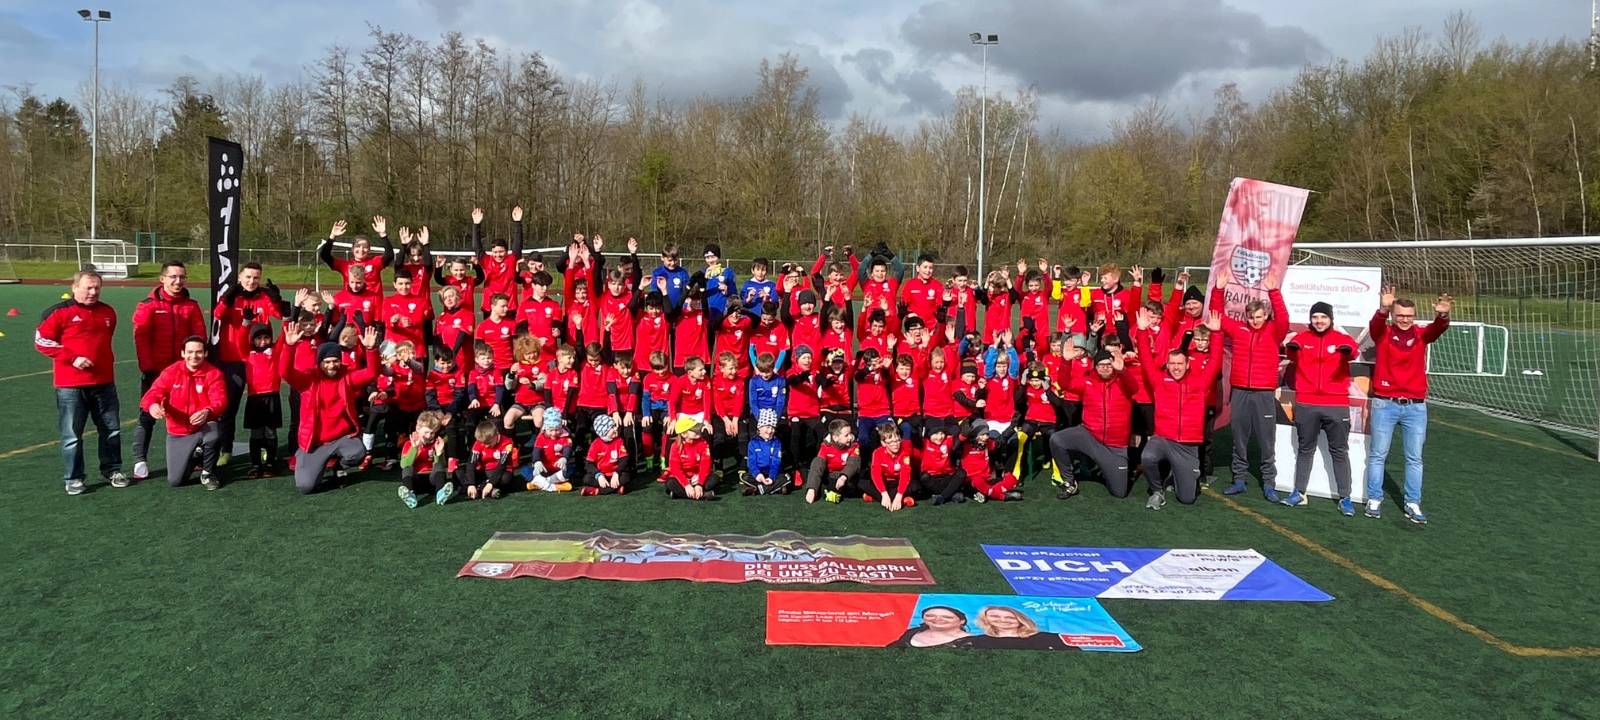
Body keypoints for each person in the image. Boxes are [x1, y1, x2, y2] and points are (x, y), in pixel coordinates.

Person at [1365, 286, 1452, 524]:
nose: (1405, 319)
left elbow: (1439, 328)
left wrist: (1443, 315)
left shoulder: (1422, 335)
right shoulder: (1383, 334)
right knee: (1378, 455)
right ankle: (1374, 498)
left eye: (1409, 315)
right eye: (1400, 315)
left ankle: (1412, 502)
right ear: (1394, 315)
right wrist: (1383, 308)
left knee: (1414, 458)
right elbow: (1374, 327)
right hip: (1385, 404)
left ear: (1414, 316)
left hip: (1415, 407)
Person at [36, 270, 128, 494]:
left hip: (104, 383)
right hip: (71, 386)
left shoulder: (108, 312)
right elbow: (41, 340)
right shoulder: (59, 313)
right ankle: (74, 478)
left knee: (111, 429)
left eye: (97, 287)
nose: (93, 292)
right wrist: (72, 358)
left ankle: (112, 469)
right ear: (75, 288)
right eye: (88, 287)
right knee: (72, 434)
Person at [280, 323, 381, 495]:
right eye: (327, 362)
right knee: (305, 487)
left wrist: (371, 350)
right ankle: (318, 462)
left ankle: (338, 464)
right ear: (319, 362)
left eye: (335, 361)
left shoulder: (346, 376)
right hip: (315, 442)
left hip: (340, 438)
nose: (332, 365)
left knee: (358, 452)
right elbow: (285, 372)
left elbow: (371, 373)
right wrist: (289, 347)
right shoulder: (308, 380)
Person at [1138, 311, 1224, 509]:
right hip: (1163, 439)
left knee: (1187, 499)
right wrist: (1142, 331)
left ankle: (1178, 475)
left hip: (1187, 445)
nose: (1176, 367)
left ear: (1187, 365)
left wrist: (1217, 334)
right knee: (1147, 456)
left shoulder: (1200, 383)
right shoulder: (1159, 381)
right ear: (1167, 365)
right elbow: (1145, 359)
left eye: (1180, 364)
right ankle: (1157, 490)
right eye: (1172, 364)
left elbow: (1215, 362)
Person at [131, 260, 207, 481]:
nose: (178, 281)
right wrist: (147, 367)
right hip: (156, 371)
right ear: (162, 279)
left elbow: (199, 335)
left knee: (191, 413)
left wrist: (195, 365)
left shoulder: (191, 306)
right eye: (173, 276)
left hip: (186, 371)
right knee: (148, 414)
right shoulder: (148, 305)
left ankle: (194, 456)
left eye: (182, 277)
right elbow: (141, 338)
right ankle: (139, 460)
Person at [1212, 286, 1289, 500]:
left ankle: (1268, 482)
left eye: (1259, 317)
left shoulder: (1274, 331)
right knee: (1239, 437)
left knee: (1266, 440)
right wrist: (1218, 290)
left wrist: (1274, 290)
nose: (1255, 321)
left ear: (1265, 316)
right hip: (1240, 391)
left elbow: (1283, 317)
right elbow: (1216, 314)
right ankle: (1239, 479)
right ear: (1246, 317)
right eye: (1252, 317)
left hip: (1263, 393)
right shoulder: (1239, 330)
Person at [1283, 301, 1359, 514]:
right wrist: (1292, 348)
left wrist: (1348, 351)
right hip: (1307, 404)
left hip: (1336, 405)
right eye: (1315, 317)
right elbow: (1290, 352)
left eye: (1323, 317)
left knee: (1339, 451)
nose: (1319, 321)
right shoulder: (1302, 339)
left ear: (1331, 319)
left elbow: (1354, 351)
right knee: (1305, 450)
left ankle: (1345, 498)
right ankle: (1299, 493)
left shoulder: (1342, 339)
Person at [212, 262, 288, 464]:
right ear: (240, 277)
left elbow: (279, 315)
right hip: (233, 359)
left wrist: (276, 299)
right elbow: (218, 315)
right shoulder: (232, 296)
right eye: (248, 277)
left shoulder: (263, 296)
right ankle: (226, 449)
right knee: (229, 407)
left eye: (256, 277)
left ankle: (266, 451)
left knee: (263, 407)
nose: (252, 281)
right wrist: (228, 297)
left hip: (260, 362)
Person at [140, 337, 228, 489]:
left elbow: (220, 400)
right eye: (190, 352)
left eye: (199, 352)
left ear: (205, 353)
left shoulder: (214, 374)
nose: (194, 356)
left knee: (214, 433)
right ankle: (196, 454)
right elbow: (153, 392)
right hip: (178, 432)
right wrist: (153, 405)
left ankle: (208, 473)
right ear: (183, 353)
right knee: (176, 481)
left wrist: (208, 411)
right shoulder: (171, 372)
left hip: (202, 427)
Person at [1049, 349, 1139, 499]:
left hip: (1115, 446)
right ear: (1095, 367)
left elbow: (1134, 388)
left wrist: (1122, 370)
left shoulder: (1123, 382)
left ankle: (1109, 469)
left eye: (1108, 365)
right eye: (1101, 365)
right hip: (1089, 435)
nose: (1105, 368)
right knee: (1057, 440)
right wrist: (1066, 361)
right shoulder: (1088, 381)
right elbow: (1065, 384)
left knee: (1120, 493)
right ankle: (1070, 482)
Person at [320, 216, 394, 305]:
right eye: (358, 246)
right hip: (352, 305)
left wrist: (383, 235)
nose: (361, 249)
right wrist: (332, 236)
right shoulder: (345, 265)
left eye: (365, 247)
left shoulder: (375, 262)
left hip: (374, 307)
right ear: (352, 248)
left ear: (369, 249)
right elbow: (325, 255)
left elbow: (390, 255)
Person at [242, 324, 284, 478]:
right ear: (253, 340)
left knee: (270, 432)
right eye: (258, 338)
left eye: (266, 337)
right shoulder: (248, 353)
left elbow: (285, 337)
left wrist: (288, 318)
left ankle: (270, 464)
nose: (263, 341)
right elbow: (240, 340)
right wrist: (246, 323)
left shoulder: (275, 352)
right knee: (256, 434)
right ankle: (255, 464)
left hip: (272, 397)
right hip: (255, 399)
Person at [396, 410, 458, 509]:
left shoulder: (436, 443)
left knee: (438, 466)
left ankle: (440, 494)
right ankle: (410, 495)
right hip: (416, 480)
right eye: (426, 432)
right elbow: (404, 465)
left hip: (432, 480)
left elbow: (442, 465)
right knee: (407, 469)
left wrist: (439, 454)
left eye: (432, 433)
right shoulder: (409, 444)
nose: (429, 436)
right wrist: (414, 449)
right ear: (418, 429)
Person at [803, 419, 861, 504]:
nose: (850, 437)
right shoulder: (826, 445)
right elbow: (818, 466)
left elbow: (853, 464)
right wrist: (812, 488)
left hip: (847, 477)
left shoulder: (854, 445)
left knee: (860, 483)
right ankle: (812, 489)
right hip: (831, 475)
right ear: (835, 437)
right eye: (846, 435)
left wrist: (843, 477)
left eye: (850, 434)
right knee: (817, 461)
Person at [963, 606, 1072, 651]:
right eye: (995, 616)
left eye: (1010, 617)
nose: (1003, 620)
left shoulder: (1050, 638)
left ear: (1021, 620)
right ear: (985, 619)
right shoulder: (975, 641)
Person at [865, 423, 915, 512]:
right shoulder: (877, 453)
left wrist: (899, 496)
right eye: (890, 442)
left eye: (897, 440)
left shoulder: (905, 453)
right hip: (885, 482)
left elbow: (905, 475)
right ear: (883, 443)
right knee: (862, 483)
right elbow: (876, 474)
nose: (895, 444)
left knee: (916, 487)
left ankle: (875, 496)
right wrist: (884, 494)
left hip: (898, 482)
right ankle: (897, 499)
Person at [664, 417, 714, 500]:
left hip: (697, 476)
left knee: (713, 480)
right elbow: (675, 469)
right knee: (670, 483)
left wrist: (699, 484)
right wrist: (686, 485)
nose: (698, 430)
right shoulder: (675, 446)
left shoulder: (703, 443)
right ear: (684, 434)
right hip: (684, 477)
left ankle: (680, 493)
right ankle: (702, 495)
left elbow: (705, 465)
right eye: (694, 429)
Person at [466, 419, 516, 500]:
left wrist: (490, 484)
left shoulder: (507, 442)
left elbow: (502, 465)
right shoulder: (479, 442)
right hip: (484, 471)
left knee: (506, 479)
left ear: (496, 435)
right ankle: (483, 488)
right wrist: (471, 483)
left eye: (488, 443)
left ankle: (481, 487)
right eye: (483, 443)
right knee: (460, 473)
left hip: (501, 471)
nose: (485, 446)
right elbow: (471, 462)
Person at [740, 409, 787, 495]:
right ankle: (775, 489)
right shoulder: (752, 443)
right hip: (758, 473)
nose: (770, 431)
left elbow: (776, 462)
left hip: (772, 473)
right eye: (767, 427)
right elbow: (751, 462)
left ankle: (757, 489)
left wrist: (771, 477)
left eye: (773, 428)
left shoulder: (777, 443)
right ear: (760, 427)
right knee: (745, 477)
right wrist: (757, 474)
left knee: (786, 478)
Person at [583, 414, 630, 495]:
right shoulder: (595, 444)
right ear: (604, 432)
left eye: (614, 426)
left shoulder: (619, 441)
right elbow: (588, 464)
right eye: (612, 427)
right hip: (602, 475)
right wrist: (599, 475)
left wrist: (616, 473)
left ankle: (597, 491)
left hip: (615, 474)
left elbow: (624, 459)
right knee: (586, 479)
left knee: (627, 477)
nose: (616, 429)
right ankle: (616, 488)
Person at [885, 606, 974, 648]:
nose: (937, 619)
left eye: (947, 617)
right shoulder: (912, 632)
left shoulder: (972, 640)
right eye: (930, 616)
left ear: (962, 621)